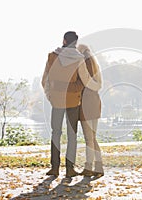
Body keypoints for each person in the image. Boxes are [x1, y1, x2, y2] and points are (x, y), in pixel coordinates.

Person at [41, 31, 101, 178]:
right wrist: (93, 87)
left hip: (56, 101)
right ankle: (70, 169)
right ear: (76, 42)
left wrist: (51, 96)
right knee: (71, 135)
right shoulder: (79, 59)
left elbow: (45, 80)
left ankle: (54, 168)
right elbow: (85, 80)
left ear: (64, 40)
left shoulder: (52, 56)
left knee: (56, 134)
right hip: (73, 101)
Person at [77, 44, 104, 177]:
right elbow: (98, 85)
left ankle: (90, 167)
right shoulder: (95, 64)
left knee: (89, 138)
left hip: (86, 103)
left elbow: (84, 82)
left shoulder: (83, 63)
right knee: (92, 137)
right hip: (95, 101)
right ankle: (97, 167)